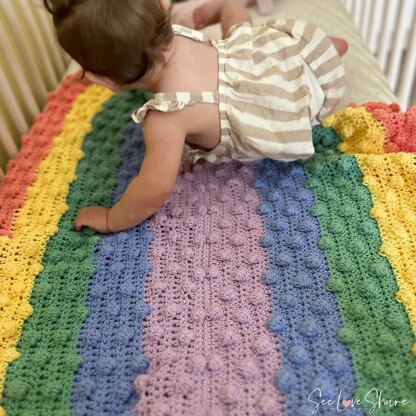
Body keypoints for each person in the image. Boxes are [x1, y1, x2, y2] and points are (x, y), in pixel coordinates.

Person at [43, 0, 348, 234]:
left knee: (247, 56)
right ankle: (233, 8)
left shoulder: (165, 119)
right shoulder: (180, 35)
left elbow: (154, 188)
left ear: (103, 81)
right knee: (242, 36)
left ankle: (317, 65)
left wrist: (112, 219)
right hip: (283, 59)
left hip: (289, 110)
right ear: (163, 7)